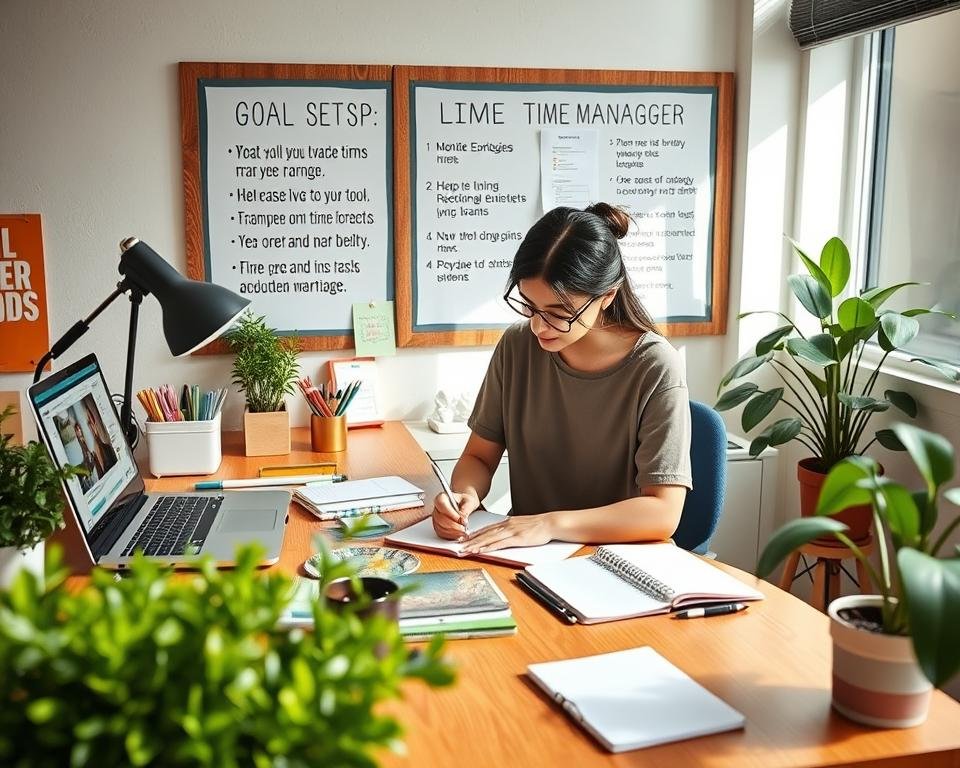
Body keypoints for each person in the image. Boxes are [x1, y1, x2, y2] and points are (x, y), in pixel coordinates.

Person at [432, 202, 692, 555]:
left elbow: (662, 512)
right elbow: (479, 456)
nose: (538, 326)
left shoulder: (655, 366)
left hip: (613, 560)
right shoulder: (517, 346)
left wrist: (550, 523)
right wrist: (464, 494)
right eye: (529, 305)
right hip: (524, 556)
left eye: (558, 314)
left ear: (608, 295)